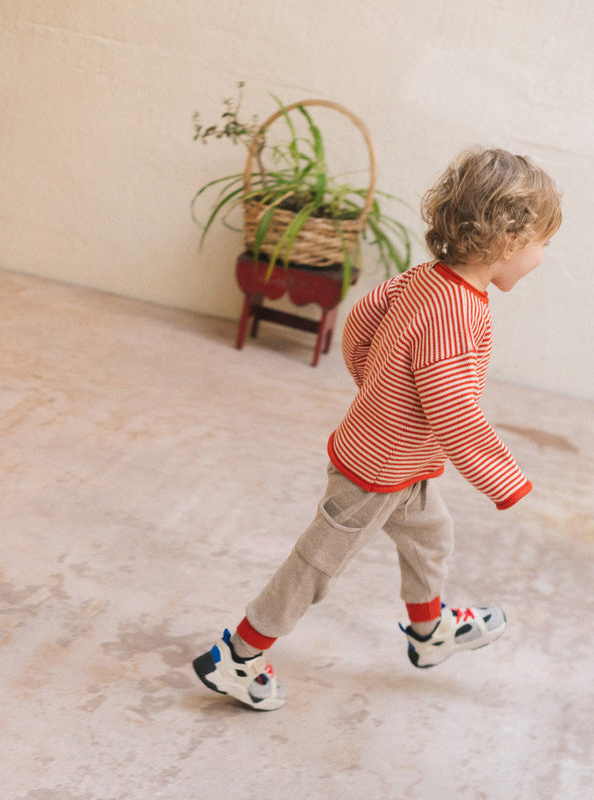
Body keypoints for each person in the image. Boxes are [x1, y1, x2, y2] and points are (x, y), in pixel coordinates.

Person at [192, 147, 563, 711]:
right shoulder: (462, 314)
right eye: (543, 242)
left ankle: (429, 631)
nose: (543, 255)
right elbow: (453, 409)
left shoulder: (426, 278)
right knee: (317, 565)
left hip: (399, 460)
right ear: (509, 240)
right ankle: (237, 655)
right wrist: (501, 477)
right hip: (374, 472)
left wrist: (378, 388)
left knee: (431, 535)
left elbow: (363, 319)